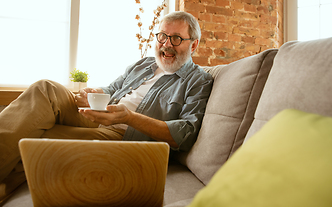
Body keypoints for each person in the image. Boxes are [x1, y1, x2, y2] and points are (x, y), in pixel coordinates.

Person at [0, 11, 213, 202]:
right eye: (163, 36)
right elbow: (112, 88)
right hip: (101, 115)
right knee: (45, 89)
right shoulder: (144, 64)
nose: (167, 44)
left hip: (126, 136)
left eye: (176, 38)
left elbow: (185, 134)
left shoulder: (198, 80)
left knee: (36, 133)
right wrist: (91, 94)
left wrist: (128, 117)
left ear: (193, 45)